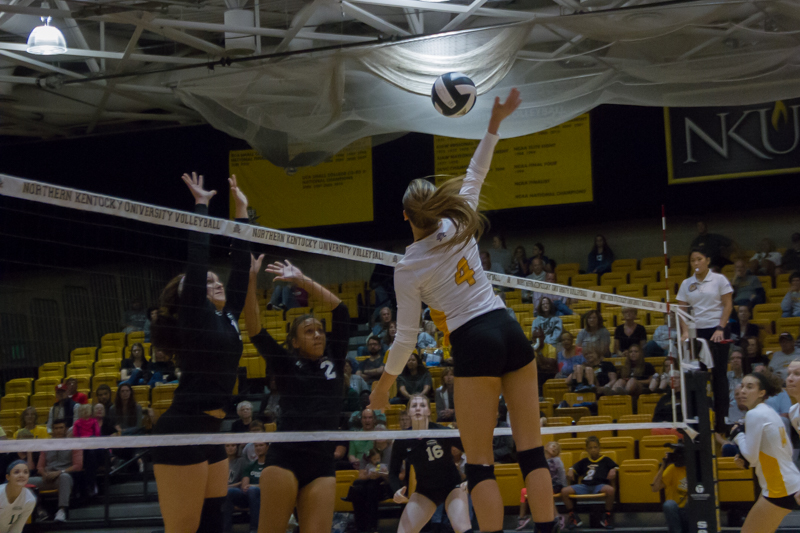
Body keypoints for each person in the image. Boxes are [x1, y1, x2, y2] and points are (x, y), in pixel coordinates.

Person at [370, 89, 557, 533]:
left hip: (474, 340)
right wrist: (494, 121)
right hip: (508, 327)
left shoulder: (408, 266)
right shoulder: (459, 219)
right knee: (532, 451)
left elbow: (406, 339)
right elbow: (478, 169)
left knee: (480, 465)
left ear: (404, 217)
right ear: (436, 206)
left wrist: (382, 387)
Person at [148, 172, 251, 533]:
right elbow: (197, 257)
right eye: (207, 281)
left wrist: (241, 214)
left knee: (213, 526)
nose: (216, 281)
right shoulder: (194, 315)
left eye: (214, 278)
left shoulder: (228, 318)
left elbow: (240, 269)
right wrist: (202, 205)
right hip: (183, 431)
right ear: (191, 294)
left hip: (212, 432)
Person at [244, 255, 350, 533]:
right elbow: (254, 329)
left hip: (322, 462)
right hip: (285, 459)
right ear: (293, 341)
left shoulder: (335, 359)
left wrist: (302, 280)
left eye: (319, 330)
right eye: (309, 331)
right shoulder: (285, 363)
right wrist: (251, 279)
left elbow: (341, 311)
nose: (318, 335)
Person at [390, 395, 472, 533]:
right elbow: (393, 472)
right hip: (425, 492)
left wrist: (470, 477)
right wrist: (395, 490)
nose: (418, 409)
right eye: (414, 406)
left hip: (451, 487)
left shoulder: (442, 432)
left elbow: (472, 451)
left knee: (462, 528)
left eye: (422, 406)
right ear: (409, 411)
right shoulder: (403, 439)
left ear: (429, 411)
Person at [731, 372, 800, 533]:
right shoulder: (767, 411)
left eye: (750, 387)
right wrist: (746, 457)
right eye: (742, 386)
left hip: (780, 487)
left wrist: (737, 435)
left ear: (762, 393)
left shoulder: (755, 414)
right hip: (786, 483)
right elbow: (784, 450)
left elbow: (751, 456)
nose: (743, 391)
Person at [676, 248, 734, 432]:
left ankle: (721, 421)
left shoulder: (719, 279)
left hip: (717, 329)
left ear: (707, 260)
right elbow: (682, 310)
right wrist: (685, 332)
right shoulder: (687, 283)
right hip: (697, 331)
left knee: (719, 375)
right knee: (697, 375)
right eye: (693, 260)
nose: (696, 263)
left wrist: (720, 328)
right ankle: (699, 419)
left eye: (699, 259)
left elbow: (728, 304)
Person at [29, 419, 82, 523]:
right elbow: (40, 466)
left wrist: (59, 472)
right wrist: (44, 473)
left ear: (66, 429)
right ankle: (38, 510)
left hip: (63, 477)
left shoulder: (74, 444)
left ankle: (62, 511)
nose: (58, 430)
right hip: (47, 477)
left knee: (64, 477)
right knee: (26, 481)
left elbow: (78, 466)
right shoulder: (46, 444)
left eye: (61, 428)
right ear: (52, 430)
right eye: (56, 428)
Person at [560, 436, 617, 529]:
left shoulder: (606, 460)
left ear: (599, 448)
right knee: (564, 491)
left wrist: (613, 469)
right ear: (587, 449)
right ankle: (573, 516)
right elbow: (574, 468)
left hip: (599, 485)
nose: (593, 450)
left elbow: (615, 466)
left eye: (595, 447)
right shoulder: (584, 461)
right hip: (585, 486)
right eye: (590, 448)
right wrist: (570, 469)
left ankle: (607, 516)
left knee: (610, 490)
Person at [518, 441, 565, 531]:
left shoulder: (557, 461)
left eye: (557, 448)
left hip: (554, 485)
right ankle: (522, 518)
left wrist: (564, 486)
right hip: (539, 485)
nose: (555, 448)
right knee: (524, 491)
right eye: (553, 446)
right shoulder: (539, 460)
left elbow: (561, 474)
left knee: (545, 490)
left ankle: (557, 517)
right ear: (546, 447)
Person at [223, 441, 267, 533]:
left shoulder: (270, 465)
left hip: (266, 495)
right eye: (256, 446)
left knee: (253, 490)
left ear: (267, 447)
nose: (258, 448)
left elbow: (270, 484)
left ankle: (254, 529)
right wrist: (250, 486)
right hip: (248, 495)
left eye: (261, 445)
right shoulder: (250, 465)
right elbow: (244, 485)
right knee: (228, 492)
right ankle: (225, 529)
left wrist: (253, 486)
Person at [650, 444, 687, 533]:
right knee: (668, 505)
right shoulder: (672, 469)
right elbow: (654, 488)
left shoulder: (695, 468)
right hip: (677, 509)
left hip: (691, 509)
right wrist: (663, 466)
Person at [1, 460, 37, 533]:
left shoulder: (30, 500)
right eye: (16, 472)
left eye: (25, 472)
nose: (21, 475)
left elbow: (17, 528)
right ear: (8, 477)